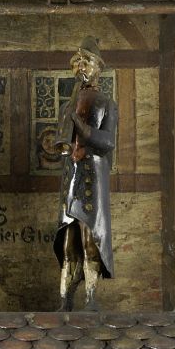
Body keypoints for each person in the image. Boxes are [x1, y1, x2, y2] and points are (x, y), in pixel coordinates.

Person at [52, 44, 118, 309]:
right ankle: (65, 300)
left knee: (91, 240)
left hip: (93, 178)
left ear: (98, 67)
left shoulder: (107, 103)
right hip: (72, 178)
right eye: (77, 62)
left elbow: (108, 141)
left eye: (87, 62)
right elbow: (63, 143)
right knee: (68, 244)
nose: (81, 67)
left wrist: (81, 126)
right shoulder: (68, 105)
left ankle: (91, 300)